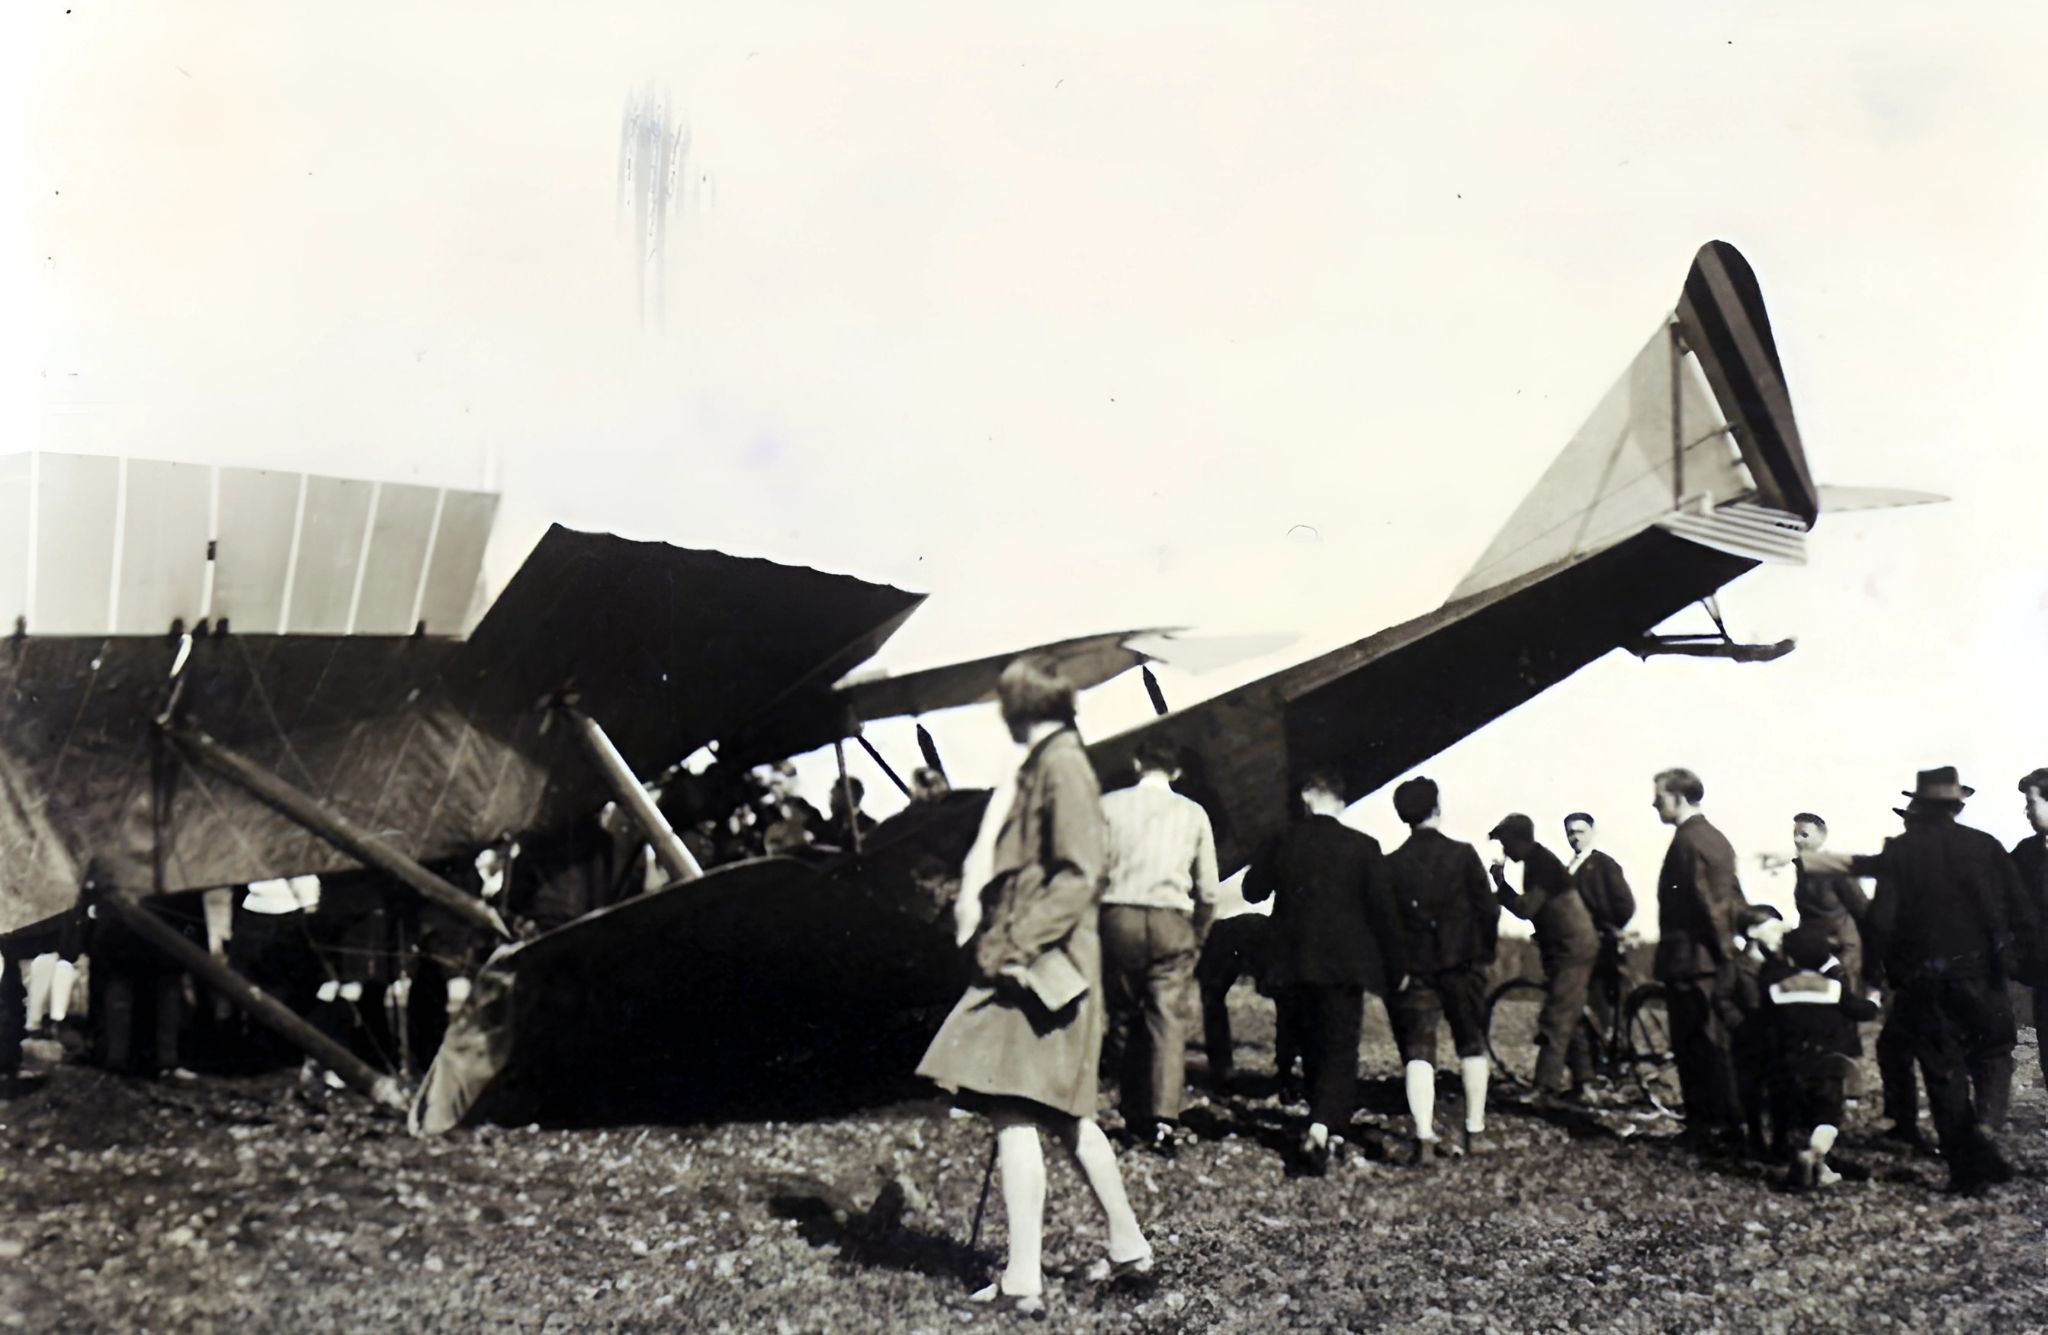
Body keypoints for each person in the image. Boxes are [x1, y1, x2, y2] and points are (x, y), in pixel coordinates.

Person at [915, 657, 1150, 1315]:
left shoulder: (1061, 766)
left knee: (1013, 1106)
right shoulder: (1052, 762)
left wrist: (1012, 944)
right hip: (1050, 964)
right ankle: (1129, 1246)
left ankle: (1023, 1277)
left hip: (1044, 968)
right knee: (1063, 1113)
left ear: (1017, 711)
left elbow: (1079, 875)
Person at [1796, 769, 2021, 1191]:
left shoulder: (1901, 852)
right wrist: (2015, 960)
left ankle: (1970, 1167)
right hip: (1981, 976)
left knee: (1943, 1072)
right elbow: (2018, 908)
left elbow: (1880, 922)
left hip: (1925, 980)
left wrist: (1883, 974)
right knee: (1994, 1051)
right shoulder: (1984, 845)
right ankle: (1985, 1140)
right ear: (1955, 805)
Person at [1242, 767, 1402, 1175]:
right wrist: (1394, 966)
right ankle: (1325, 1126)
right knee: (1339, 1047)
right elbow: (1384, 914)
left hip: (1291, 961)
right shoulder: (1365, 847)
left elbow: (1252, 891)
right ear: (1342, 802)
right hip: (1343, 964)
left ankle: (1322, 1121)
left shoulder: (1281, 839)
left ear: (1306, 797)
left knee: (1310, 1044)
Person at [1098, 738, 1220, 1156]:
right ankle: (1164, 1119)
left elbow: (1091, 872)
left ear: (1136, 764)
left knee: (1123, 1015)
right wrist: (1197, 935)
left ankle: (1131, 1110)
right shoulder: (1194, 814)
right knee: (1167, 1020)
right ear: (1178, 772)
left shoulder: (1108, 806)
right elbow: (1208, 888)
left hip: (1118, 918)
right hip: (1172, 921)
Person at [1385, 776, 1497, 1162]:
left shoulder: (1392, 864)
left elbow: (1387, 924)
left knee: (1418, 1051)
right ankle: (1475, 1130)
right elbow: (1488, 909)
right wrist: (1483, 955)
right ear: (1438, 808)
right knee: (1471, 1045)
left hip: (1414, 970)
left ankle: (1424, 1139)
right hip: (1462, 965)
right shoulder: (1464, 855)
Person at [1650, 767, 1746, 1148]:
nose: (1654, 803)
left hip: (1696, 962)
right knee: (1704, 1044)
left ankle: (1711, 1127)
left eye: (1659, 796)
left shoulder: (1692, 841)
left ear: (1678, 797)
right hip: (1701, 960)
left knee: (1700, 1045)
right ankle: (1714, 1124)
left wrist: (1725, 958)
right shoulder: (1708, 838)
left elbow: (1712, 906)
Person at [1488, 813, 1598, 1101]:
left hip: (1571, 949)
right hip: (1567, 947)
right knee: (1568, 1014)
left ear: (1518, 840)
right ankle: (1585, 1085)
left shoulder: (1541, 864)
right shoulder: (1537, 861)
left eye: (1505, 843)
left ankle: (1543, 1089)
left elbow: (1526, 908)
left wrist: (1501, 887)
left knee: (1557, 1015)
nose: (1504, 850)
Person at [1764, 924, 1880, 1188]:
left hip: (1790, 1065)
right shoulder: (1833, 988)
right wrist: (1873, 999)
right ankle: (1816, 1155)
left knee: (1796, 1118)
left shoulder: (1777, 990)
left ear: (1791, 958)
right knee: (1827, 1115)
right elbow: (1861, 1011)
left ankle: (1807, 1162)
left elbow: (1766, 1025)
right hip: (1827, 1065)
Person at [1564, 813, 1636, 1038]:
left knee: (1603, 1009)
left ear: (1592, 833)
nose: (1575, 837)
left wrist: (1606, 928)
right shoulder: (1569, 867)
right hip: (1577, 949)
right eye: (1570, 832)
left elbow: (1625, 905)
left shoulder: (1604, 864)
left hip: (1602, 950)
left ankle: (1614, 1065)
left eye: (1580, 831)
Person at [1790, 813, 1871, 994]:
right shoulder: (1802, 869)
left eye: (1804, 835)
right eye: (1794, 834)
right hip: (1815, 950)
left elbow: (1862, 908)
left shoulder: (1836, 869)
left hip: (1842, 951)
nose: (1797, 840)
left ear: (1822, 837)